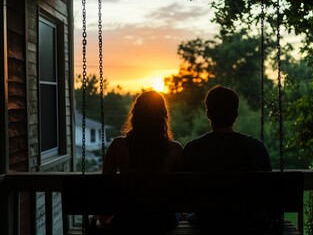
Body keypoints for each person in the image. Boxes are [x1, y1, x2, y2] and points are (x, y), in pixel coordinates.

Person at [183, 85, 272, 233]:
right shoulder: (257, 147)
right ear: (236, 114)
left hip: (208, 221)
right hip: (249, 221)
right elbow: (269, 191)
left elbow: (185, 193)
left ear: (208, 114)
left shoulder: (193, 149)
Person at [95, 90, 183, 233]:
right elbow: (179, 194)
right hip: (163, 221)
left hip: (126, 220)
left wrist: (104, 216)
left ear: (135, 115)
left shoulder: (118, 146)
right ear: (163, 117)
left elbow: (106, 187)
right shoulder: (175, 149)